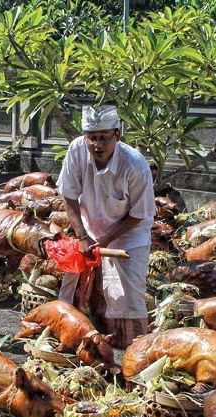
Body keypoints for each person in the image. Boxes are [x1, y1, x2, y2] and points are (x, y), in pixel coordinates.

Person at [57, 105, 156, 349]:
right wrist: (82, 235)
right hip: (89, 229)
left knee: (130, 295)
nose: (97, 145)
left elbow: (139, 214)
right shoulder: (76, 150)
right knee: (78, 286)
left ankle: (135, 348)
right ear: (84, 137)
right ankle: (91, 340)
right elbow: (68, 194)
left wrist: (106, 240)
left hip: (129, 233)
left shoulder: (134, 164)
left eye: (103, 138)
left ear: (117, 135)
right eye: (92, 138)